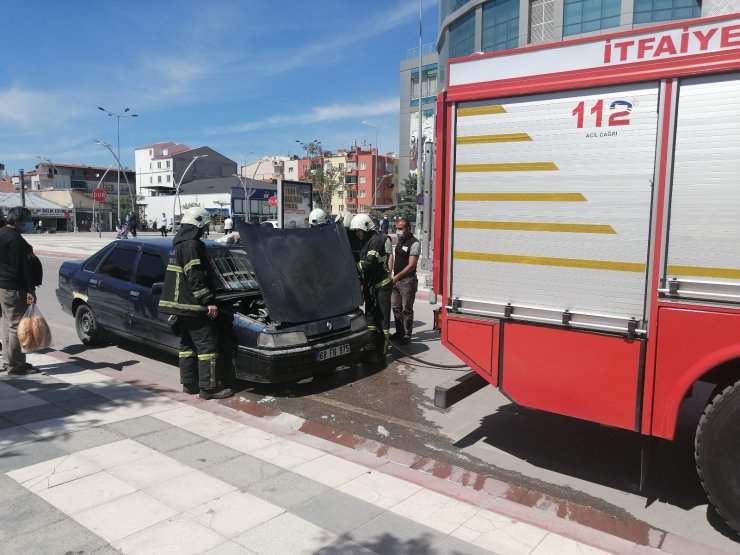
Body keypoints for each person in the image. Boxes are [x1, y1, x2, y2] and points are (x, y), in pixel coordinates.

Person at [158, 207, 233, 400]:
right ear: (198, 224)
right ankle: (209, 389)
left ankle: (189, 384)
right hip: (195, 307)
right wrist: (209, 301)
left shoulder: (178, 244)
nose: (205, 230)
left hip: (180, 308)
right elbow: (195, 276)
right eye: (205, 226)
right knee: (207, 349)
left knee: (187, 347)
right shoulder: (192, 245)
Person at [0, 206, 40, 375]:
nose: (29, 223)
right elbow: (20, 269)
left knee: (8, 325)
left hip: (3, 286)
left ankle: (10, 361)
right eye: (27, 219)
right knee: (17, 327)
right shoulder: (14, 239)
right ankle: (16, 366)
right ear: (17, 220)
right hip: (14, 287)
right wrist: (29, 290)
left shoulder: (2, 232)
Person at [350, 213, 392, 364]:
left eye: (359, 231)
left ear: (366, 228)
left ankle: (382, 350)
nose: (357, 234)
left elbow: (368, 264)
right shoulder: (366, 240)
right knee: (370, 317)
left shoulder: (377, 240)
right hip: (371, 285)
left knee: (382, 319)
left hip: (382, 285)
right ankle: (371, 346)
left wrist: (353, 265)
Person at [390, 217, 420, 344]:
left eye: (400, 229)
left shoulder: (414, 243)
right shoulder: (400, 241)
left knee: (406, 309)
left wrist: (397, 277)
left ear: (408, 228)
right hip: (396, 280)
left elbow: (411, 265)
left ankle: (407, 335)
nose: (398, 231)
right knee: (396, 307)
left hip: (407, 281)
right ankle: (399, 332)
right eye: (396, 228)